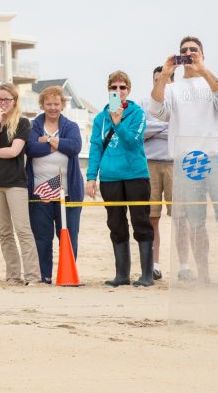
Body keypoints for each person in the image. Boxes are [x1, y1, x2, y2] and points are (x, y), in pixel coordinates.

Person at [148, 36, 218, 286]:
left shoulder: (213, 81)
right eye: (184, 51)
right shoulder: (172, 88)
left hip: (216, 159)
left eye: (194, 50)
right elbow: (156, 110)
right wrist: (166, 74)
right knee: (195, 223)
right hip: (186, 162)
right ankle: (203, 274)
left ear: (202, 54)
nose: (189, 54)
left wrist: (203, 70)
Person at [87, 71, 153, 288]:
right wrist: (91, 177)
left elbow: (133, 142)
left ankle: (146, 275)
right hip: (110, 177)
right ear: (109, 91)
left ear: (129, 90)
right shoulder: (99, 118)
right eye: (113, 88)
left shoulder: (137, 113)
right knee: (115, 223)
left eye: (122, 87)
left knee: (141, 221)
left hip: (136, 174)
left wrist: (118, 123)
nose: (118, 91)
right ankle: (121, 274)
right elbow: (95, 148)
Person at [0, 83, 41, 285]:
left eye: (7, 99)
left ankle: (32, 276)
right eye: (0, 99)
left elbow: (14, 151)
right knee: (4, 232)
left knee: (23, 229)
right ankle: (13, 275)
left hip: (15, 182)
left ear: (15, 101)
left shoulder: (23, 123)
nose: (3, 103)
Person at [25, 85, 84, 284]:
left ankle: (68, 274)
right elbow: (31, 148)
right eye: (48, 104)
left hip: (68, 191)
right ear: (42, 104)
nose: (52, 108)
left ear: (62, 104)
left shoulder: (71, 126)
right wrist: (58, 144)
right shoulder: (33, 125)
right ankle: (45, 275)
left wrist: (48, 140)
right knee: (42, 236)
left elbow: (74, 146)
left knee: (68, 235)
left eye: (56, 104)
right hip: (39, 192)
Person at [141, 66, 173, 281]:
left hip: (174, 163)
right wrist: (166, 128)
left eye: (163, 79)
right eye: (156, 80)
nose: (159, 83)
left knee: (182, 218)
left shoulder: (181, 104)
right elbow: (141, 132)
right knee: (152, 218)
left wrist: (156, 129)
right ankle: (154, 264)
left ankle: (184, 266)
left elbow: (182, 132)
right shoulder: (144, 104)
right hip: (150, 163)